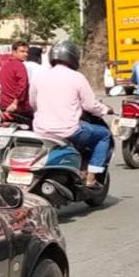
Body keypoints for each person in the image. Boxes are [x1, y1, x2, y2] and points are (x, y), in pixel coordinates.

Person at [30, 40, 113, 189]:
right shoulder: (77, 77)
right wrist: (106, 110)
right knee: (104, 135)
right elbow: (90, 105)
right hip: (68, 130)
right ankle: (91, 177)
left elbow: (33, 103)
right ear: (73, 57)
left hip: (41, 130)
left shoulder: (39, 77)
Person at [0, 40, 32, 144]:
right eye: (22, 51)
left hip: (4, 106)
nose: (25, 54)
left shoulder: (5, 66)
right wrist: (15, 102)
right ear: (14, 52)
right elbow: (23, 86)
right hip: (18, 107)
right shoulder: (19, 66)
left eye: (26, 52)